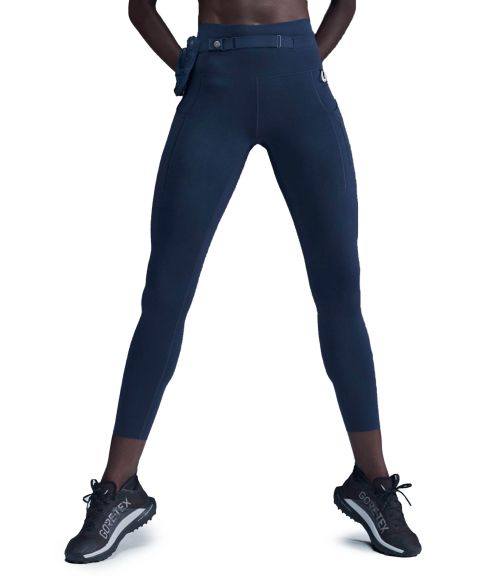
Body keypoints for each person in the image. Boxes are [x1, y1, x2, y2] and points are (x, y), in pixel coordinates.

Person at [64, 0, 422, 563]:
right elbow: (140, 9)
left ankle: (372, 482)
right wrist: (187, 65)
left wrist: (307, 59)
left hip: (298, 86)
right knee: (165, 295)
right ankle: (119, 487)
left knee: (339, 292)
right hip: (214, 91)